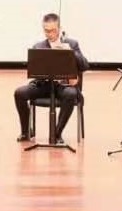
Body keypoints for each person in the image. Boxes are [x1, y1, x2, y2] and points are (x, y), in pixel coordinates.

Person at [13, 13, 88, 144]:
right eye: (46, 31)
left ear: (59, 28)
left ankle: (57, 134)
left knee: (71, 94)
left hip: (64, 86)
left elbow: (84, 66)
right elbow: (34, 71)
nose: (49, 34)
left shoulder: (72, 43)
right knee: (19, 93)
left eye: (53, 30)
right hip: (44, 85)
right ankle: (26, 131)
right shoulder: (39, 46)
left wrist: (71, 51)